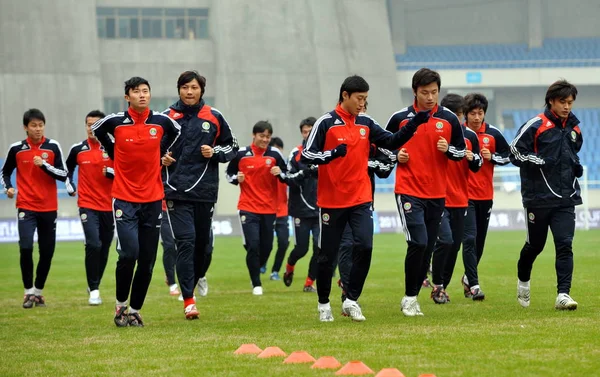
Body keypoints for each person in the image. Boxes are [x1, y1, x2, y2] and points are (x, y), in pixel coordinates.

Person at [302, 75, 426, 322]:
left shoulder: (366, 123)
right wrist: (332, 154)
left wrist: (415, 124)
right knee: (327, 256)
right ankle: (324, 303)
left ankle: (351, 300)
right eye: (359, 98)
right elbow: (307, 155)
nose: (362, 103)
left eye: (365, 99)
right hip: (331, 201)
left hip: (360, 198)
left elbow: (391, 141)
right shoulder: (326, 123)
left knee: (365, 247)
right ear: (345, 95)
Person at [92, 77, 181, 327]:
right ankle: (120, 305)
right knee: (129, 253)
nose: (142, 95)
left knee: (148, 260)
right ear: (127, 97)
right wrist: (112, 149)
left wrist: (160, 152)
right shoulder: (116, 122)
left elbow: (178, 132)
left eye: (145, 91)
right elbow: (98, 128)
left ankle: (135, 310)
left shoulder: (162, 122)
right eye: (136, 92)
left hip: (153, 199)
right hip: (124, 198)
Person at [385, 68, 466, 317]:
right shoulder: (399, 118)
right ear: (414, 92)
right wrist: (396, 155)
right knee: (417, 243)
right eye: (424, 92)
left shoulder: (449, 119)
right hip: (408, 190)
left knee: (428, 247)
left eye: (434, 92)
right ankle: (410, 298)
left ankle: (413, 296)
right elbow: (382, 148)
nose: (430, 97)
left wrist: (448, 150)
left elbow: (462, 152)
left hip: (437, 194)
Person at [162, 71, 237, 319]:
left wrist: (214, 152)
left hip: (205, 191)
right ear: (179, 90)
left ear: (201, 90)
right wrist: (161, 158)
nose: (189, 92)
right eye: (185, 87)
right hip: (175, 190)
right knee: (186, 242)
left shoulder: (214, 116)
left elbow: (232, 146)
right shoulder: (166, 118)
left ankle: (194, 281)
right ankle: (189, 301)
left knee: (203, 248)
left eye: (194, 87)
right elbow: (151, 149)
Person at [509, 79, 582, 310]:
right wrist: (535, 160)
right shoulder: (536, 124)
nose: (567, 106)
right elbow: (514, 152)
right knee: (535, 246)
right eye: (563, 102)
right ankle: (523, 282)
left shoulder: (575, 128)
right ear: (551, 101)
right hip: (538, 199)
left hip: (566, 197)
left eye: (570, 102)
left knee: (565, 244)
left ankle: (563, 294)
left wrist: (575, 165)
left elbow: (571, 152)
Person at [2, 108, 68, 308]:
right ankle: (28, 291)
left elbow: (64, 174)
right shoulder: (16, 149)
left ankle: (38, 292)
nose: (38, 129)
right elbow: (4, 173)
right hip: (26, 206)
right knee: (25, 247)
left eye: (41, 125)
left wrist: (44, 165)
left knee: (47, 251)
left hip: (48, 207)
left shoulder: (53, 146)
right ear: (25, 128)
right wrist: (9, 187)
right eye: (34, 125)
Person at [429, 94, 481, 304]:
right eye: (455, 115)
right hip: (438, 197)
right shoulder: (435, 134)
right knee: (446, 240)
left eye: (460, 115)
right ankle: (437, 285)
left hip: (461, 198)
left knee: (455, 245)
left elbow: (476, 165)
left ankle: (443, 285)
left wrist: (472, 157)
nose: (458, 120)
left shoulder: (470, 137)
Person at [226, 121, 287, 296]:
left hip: (269, 208)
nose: (265, 139)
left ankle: (258, 265)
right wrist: (236, 178)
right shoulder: (241, 154)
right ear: (254, 135)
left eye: (268, 136)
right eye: (262, 136)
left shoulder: (275, 154)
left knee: (266, 247)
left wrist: (280, 173)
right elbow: (228, 174)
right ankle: (256, 283)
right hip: (247, 207)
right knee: (253, 245)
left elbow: (287, 173)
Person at [461, 93, 510, 300]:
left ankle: (466, 278)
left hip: (485, 195)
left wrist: (494, 157)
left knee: (479, 241)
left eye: (480, 113)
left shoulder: (493, 134)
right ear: (465, 114)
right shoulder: (458, 133)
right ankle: (474, 285)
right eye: (473, 113)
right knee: (469, 238)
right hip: (464, 195)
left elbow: (509, 156)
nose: (477, 117)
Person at [65, 110, 115, 306]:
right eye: (89, 124)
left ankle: (95, 282)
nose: (92, 128)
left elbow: (126, 172)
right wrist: (69, 184)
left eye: (96, 124)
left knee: (104, 247)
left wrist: (112, 172)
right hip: (87, 204)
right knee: (93, 244)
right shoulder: (78, 149)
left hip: (110, 206)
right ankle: (94, 290)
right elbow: (67, 170)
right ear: (85, 126)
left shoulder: (113, 148)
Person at [337, 143, 395, 304]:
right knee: (346, 245)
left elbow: (385, 169)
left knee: (364, 247)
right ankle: (348, 293)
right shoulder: (338, 134)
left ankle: (348, 285)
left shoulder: (373, 138)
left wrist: (367, 162)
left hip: (364, 202)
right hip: (340, 202)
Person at [283, 117, 320, 292]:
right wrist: (305, 173)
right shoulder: (295, 153)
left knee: (320, 248)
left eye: (311, 131)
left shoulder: (324, 152)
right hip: (300, 209)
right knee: (302, 248)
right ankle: (290, 266)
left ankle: (309, 282)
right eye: (305, 131)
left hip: (322, 207)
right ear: (301, 133)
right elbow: (287, 178)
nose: (308, 134)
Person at [263, 136, 290, 281]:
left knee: (284, 242)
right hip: (267, 209)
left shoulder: (286, 168)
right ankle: (262, 262)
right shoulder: (265, 166)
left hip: (283, 210)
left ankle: (275, 271)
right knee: (263, 242)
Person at [160, 200, 180, 297]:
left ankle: (169, 274)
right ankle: (172, 283)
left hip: (180, 210)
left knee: (181, 245)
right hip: (163, 210)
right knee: (169, 246)